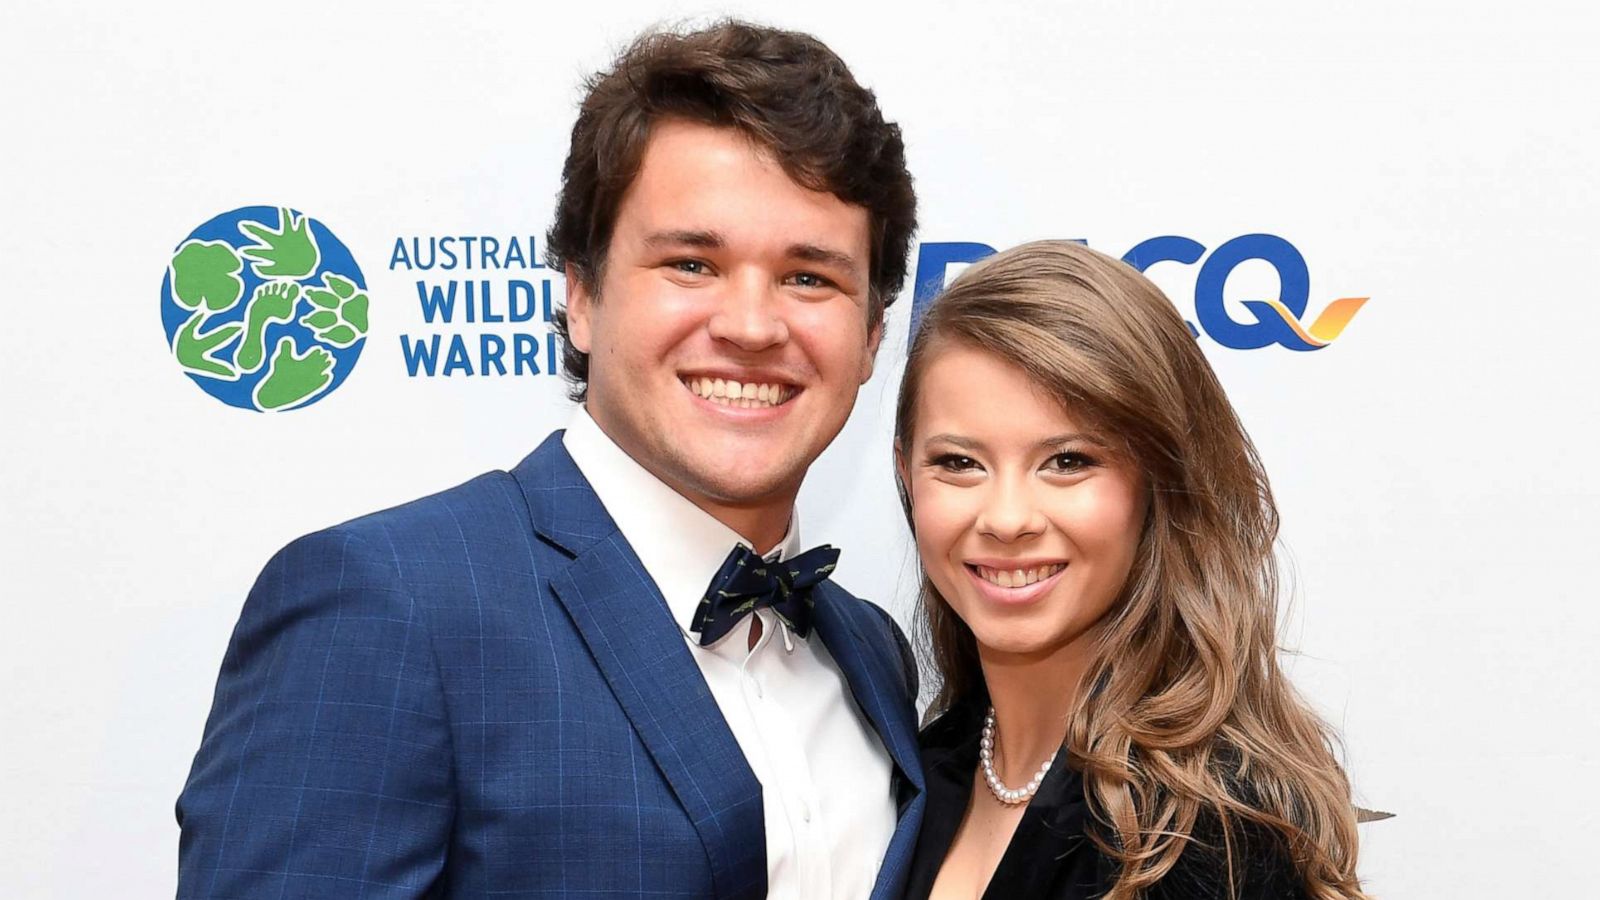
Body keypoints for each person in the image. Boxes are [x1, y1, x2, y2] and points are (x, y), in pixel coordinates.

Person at [176, 21, 923, 899]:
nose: (752, 327)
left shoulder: (871, 648)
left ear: (872, 336)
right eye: (691, 262)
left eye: (809, 278)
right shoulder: (388, 605)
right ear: (580, 294)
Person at [894, 241, 1369, 899]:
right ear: (904, 472)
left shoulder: (1207, 836)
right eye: (958, 462)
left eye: (1067, 461)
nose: (1006, 518)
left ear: (1159, 481)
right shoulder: (919, 769)